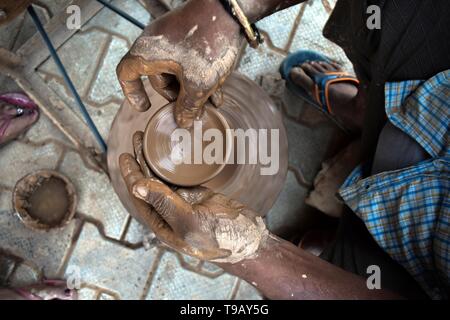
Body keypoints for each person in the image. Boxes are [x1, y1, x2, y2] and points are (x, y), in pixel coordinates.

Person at [117, 0, 450, 300]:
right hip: (441, 104)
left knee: (338, 269)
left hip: (413, 270)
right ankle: (369, 106)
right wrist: (224, 11)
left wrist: (255, 255)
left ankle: (328, 259)